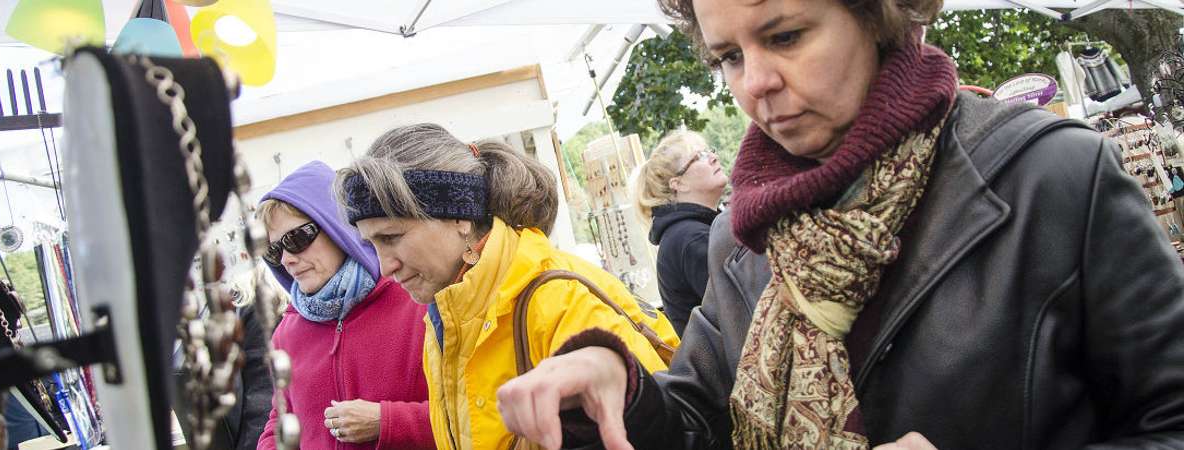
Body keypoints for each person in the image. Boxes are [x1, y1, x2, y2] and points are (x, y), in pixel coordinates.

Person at [494, 0, 1184, 448]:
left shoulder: (1054, 175)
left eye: (785, 36)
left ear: (878, 15)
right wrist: (617, 384)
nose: (753, 82)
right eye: (728, 56)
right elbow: (702, 415)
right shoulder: (741, 229)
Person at [332, 123, 680, 450]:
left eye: (392, 237)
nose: (384, 266)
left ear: (459, 217)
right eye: (371, 244)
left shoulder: (562, 301)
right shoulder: (447, 312)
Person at [255, 161, 434, 450]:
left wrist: (385, 420)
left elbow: (466, 415)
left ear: (337, 227)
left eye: (297, 239)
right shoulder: (286, 333)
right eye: (274, 250)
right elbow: (280, 421)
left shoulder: (419, 303)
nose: (287, 258)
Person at [634, 130, 728, 335]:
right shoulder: (691, 238)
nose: (713, 157)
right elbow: (738, 309)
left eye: (709, 151)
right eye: (698, 156)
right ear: (678, 184)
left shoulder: (688, 232)